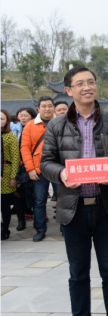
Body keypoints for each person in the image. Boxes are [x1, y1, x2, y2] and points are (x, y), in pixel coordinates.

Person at [41, 65, 108, 316]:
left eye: (91, 82)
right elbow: (46, 162)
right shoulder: (56, 125)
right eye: (79, 83)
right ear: (68, 90)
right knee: (78, 271)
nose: (87, 87)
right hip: (73, 208)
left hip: (106, 206)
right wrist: (61, 174)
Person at [20, 96, 55, 242]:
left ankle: (66, 228)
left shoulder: (61, 122)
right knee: (39, 201)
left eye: (49, 106)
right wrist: (30, 168)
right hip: (38, 169)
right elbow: (25, 148)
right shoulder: (30, 125)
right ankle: (40, 229)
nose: (47, 108)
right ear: (38, 109)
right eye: (44, 106)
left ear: (53, 107)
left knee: (64, 200)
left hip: (58, 169)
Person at [1, 109, 22, 240]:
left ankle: (5, 229)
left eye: (1, 119)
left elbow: (15, 158)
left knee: (4, 204)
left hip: (6, 172)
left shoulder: (10, 136)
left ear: (7, 122)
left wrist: (13, 176)